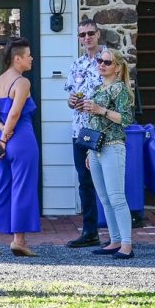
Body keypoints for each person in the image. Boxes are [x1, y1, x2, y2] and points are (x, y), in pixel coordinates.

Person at [0, 38, 41, 257]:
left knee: (2, 187)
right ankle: (19, 241)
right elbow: (15, 113)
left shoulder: (0, 81)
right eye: (28, 55)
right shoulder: (22, 82)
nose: (31, 58)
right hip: (20, 139)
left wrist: (2, 133)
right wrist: (7, 137)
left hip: (1, 139)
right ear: (17, 58)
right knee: (23, 188)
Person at [84, 46, 137, 259]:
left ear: (117, 67)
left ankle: (127, 244)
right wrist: (89, 151)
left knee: (116, 197)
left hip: (113, 146)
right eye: (100, 61)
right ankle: (115, 239)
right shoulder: (98, 88)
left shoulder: (119, 89)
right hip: (97, 148)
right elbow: (93, 121)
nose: (101, 65)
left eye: (107, 62)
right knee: (104, 198)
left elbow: (126, 119)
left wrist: (101, 110)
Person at [63, 19, 105, 248]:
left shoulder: (108, 60)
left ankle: (117, 233)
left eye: (90, 33)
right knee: (85, 181)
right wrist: (71, 102)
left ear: (98, 34)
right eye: (82, 35)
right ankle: (90, 231)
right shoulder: (77, 64)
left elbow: (117, 92)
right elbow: (71, 99)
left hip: (101, 129)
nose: (86, 38)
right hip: (80, 130)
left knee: (107, 180)